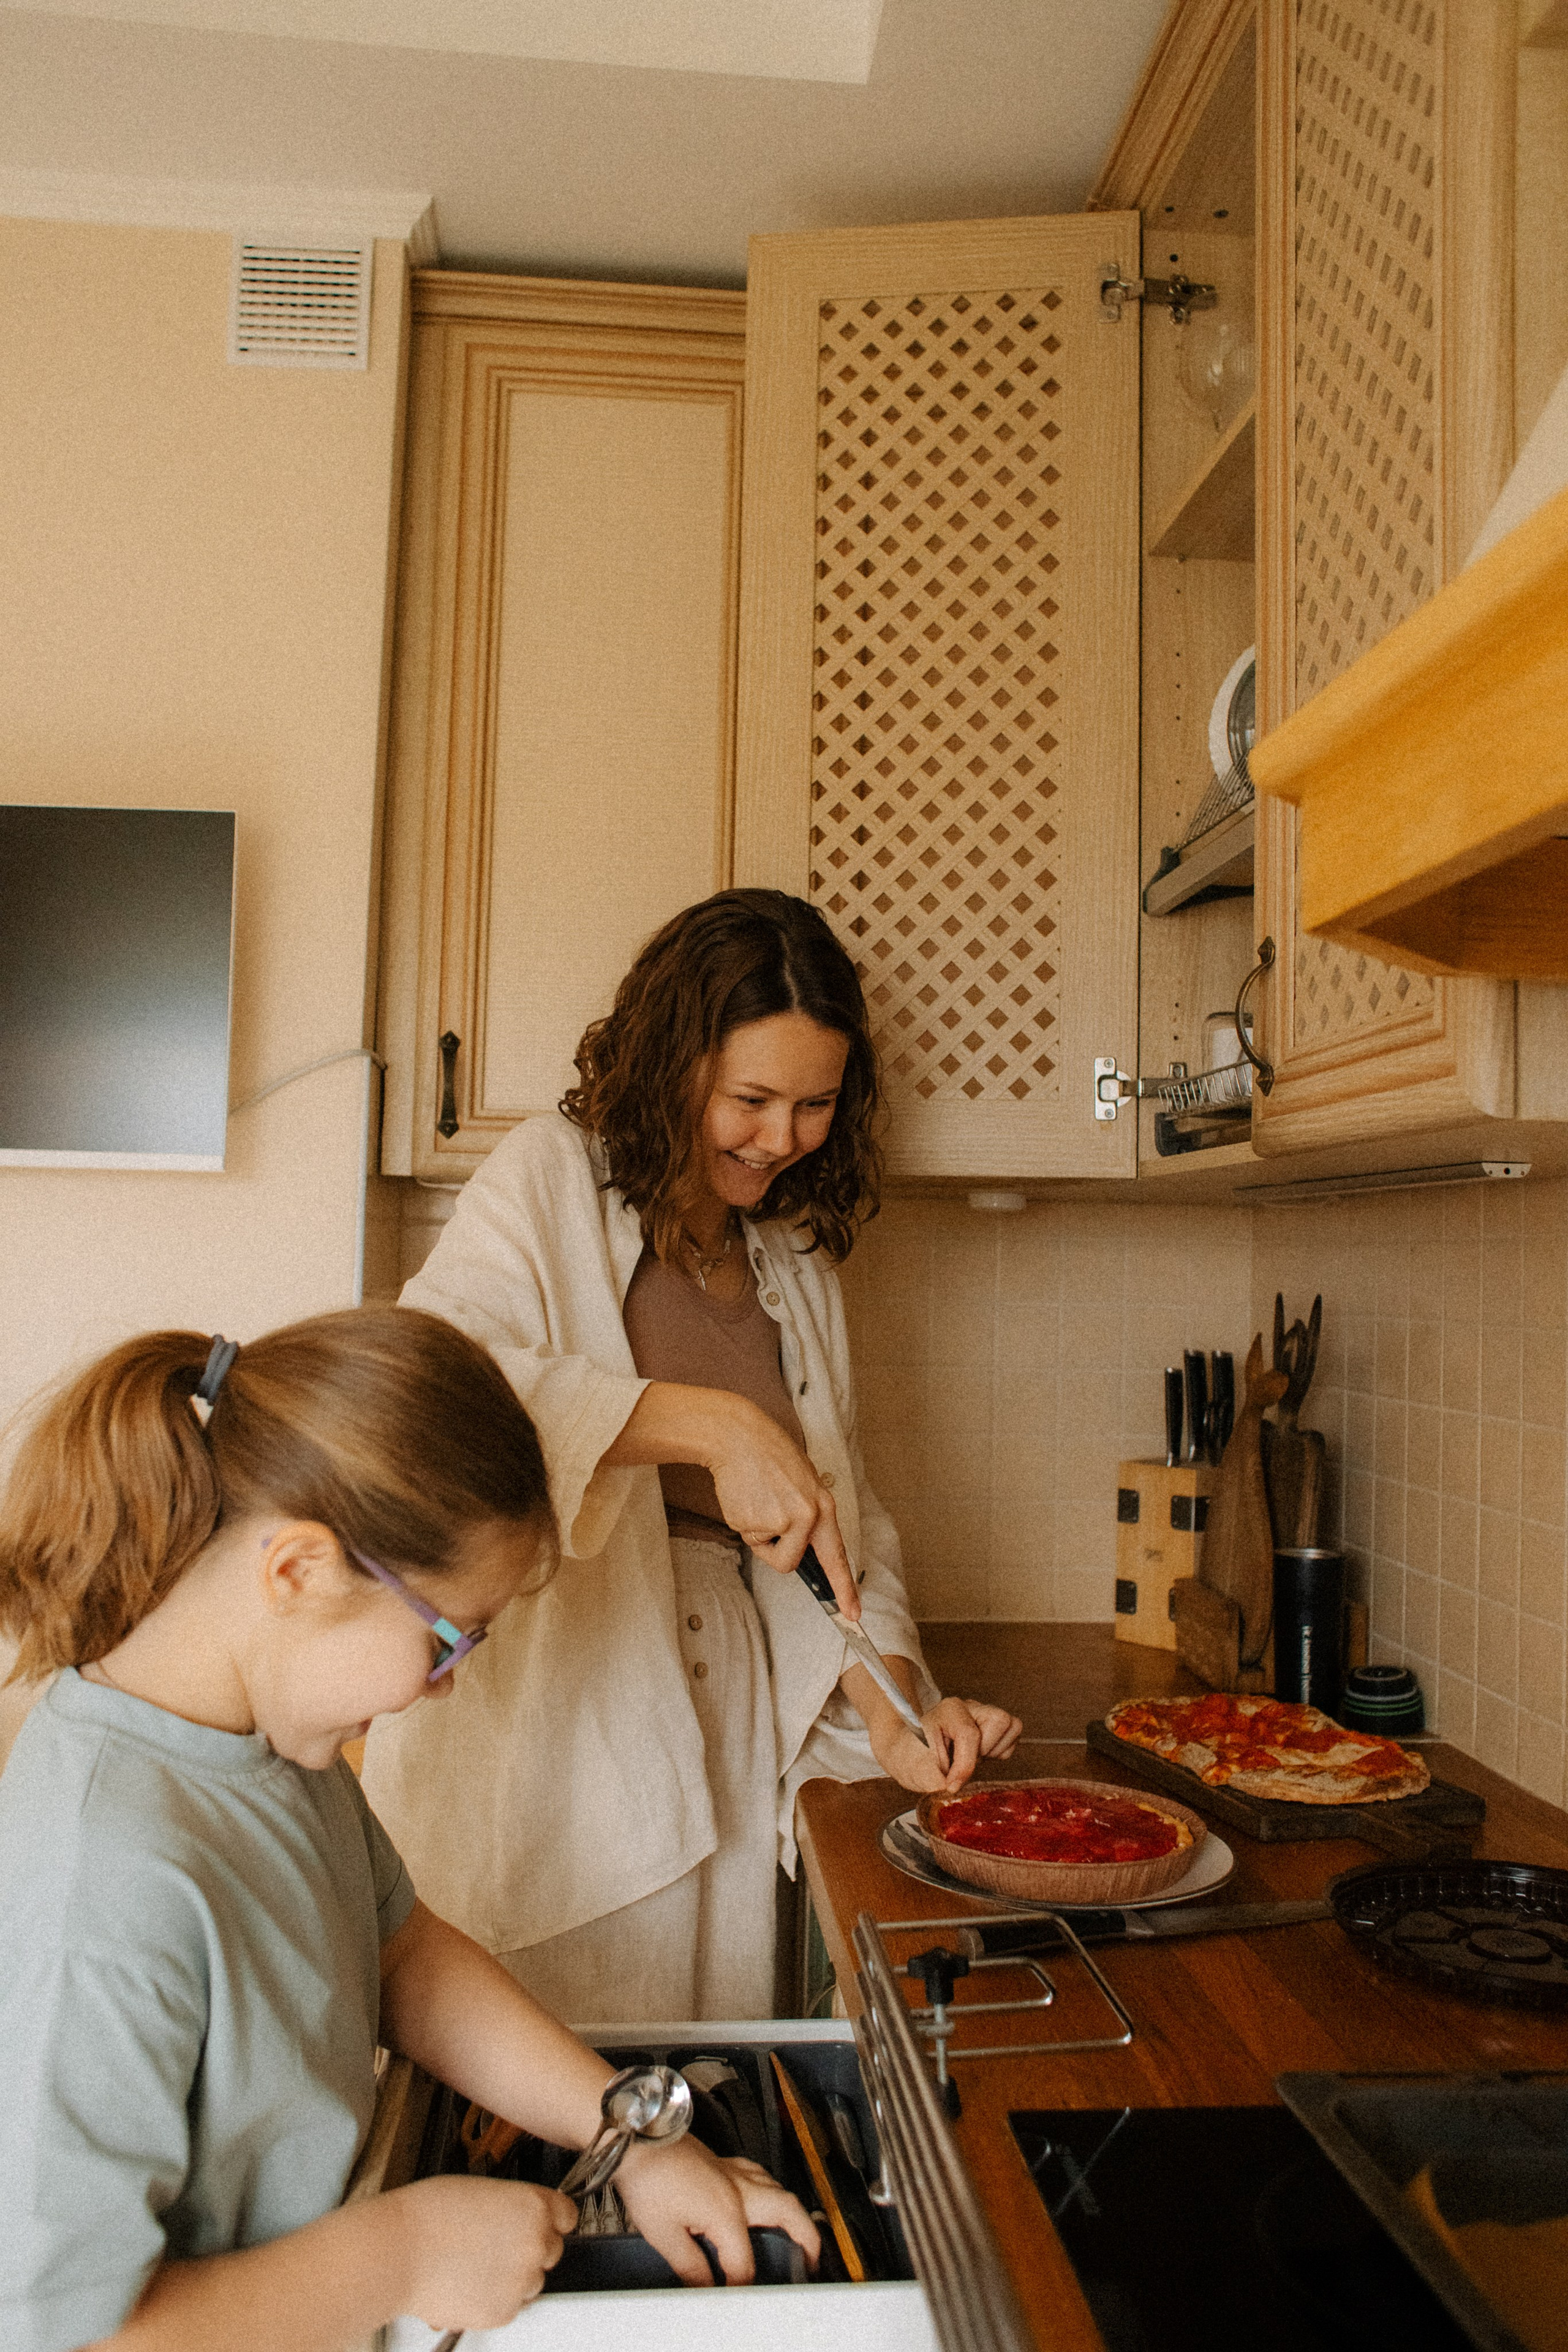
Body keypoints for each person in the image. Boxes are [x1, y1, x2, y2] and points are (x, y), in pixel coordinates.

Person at [0, 1308, 816, 2352]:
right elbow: (75, 2336)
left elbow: (403, 1956)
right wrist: (402, 2254)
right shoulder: (102, 1887)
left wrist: (633, 2133)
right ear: (296, 1571)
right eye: (446, 1643)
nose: (448, 1687)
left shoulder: (265, 1741)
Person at [363, 890, 1022, 2021]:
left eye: (816, 1104)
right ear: (674, 1066)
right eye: (751, 1099)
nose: (782, 1139)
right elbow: (434, 1382)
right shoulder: (549, 1176)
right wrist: (712, 1426)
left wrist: (896, 1711)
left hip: (730, 1720)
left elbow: (841, 1524)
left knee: (697, 2079)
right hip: (557, 1720)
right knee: (529, 2069)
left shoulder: (796, 1262)